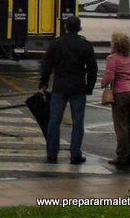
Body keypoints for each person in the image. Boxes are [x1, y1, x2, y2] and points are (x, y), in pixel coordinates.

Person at [39, 15, 97, 164]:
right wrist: (89, 87)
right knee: (78, 122)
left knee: (54, 121)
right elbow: (92, 69)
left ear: (65, 27)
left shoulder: (56, 43)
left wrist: (44, 82)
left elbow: (47, 65)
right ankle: (75, 154)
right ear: (79, 28)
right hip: (78, 87)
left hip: (60, 86)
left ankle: (52, 153)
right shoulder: (85, 45)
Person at [101, 32, 130, 167]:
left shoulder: (112, 58)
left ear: (115, 44)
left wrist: (102, 83)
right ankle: (129, 154)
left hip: (121, 94)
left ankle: (121, 157)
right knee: (129, 125)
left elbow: (109, 76)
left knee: (120, 127)